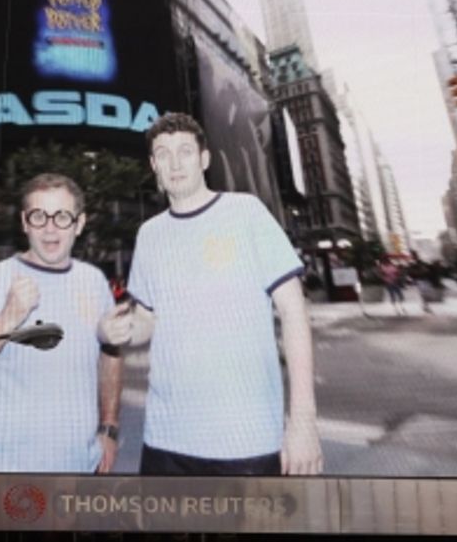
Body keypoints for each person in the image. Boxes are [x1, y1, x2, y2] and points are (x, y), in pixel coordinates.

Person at [99, 112, 323, 475]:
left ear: (204, 159)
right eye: (163, 154)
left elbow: (294, 312)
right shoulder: (150, 234)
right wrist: (116, 332)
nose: (175, 163)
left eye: (185, 151)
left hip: (247, 443)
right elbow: (147, 320)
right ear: (153, 165)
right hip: (165, 441)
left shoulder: (246, 213)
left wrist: (303, 422)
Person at [0, 173, 123, 473]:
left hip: (79, 475)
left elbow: (110, 354)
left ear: (79, 223)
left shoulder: (94, 281)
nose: (50, 228)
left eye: (62, 216)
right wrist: (8, 317)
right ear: (24, 222)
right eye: (38, 216)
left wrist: (109, 427)